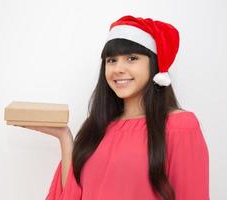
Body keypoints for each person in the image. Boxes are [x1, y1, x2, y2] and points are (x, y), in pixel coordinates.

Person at [19, 15, 210, 200]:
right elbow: (71, 195)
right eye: (111, 60)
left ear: (154, 64)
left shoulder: (180, 127)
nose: (118, 68)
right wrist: (64, 137)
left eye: (132, 58)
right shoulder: (98, 127)